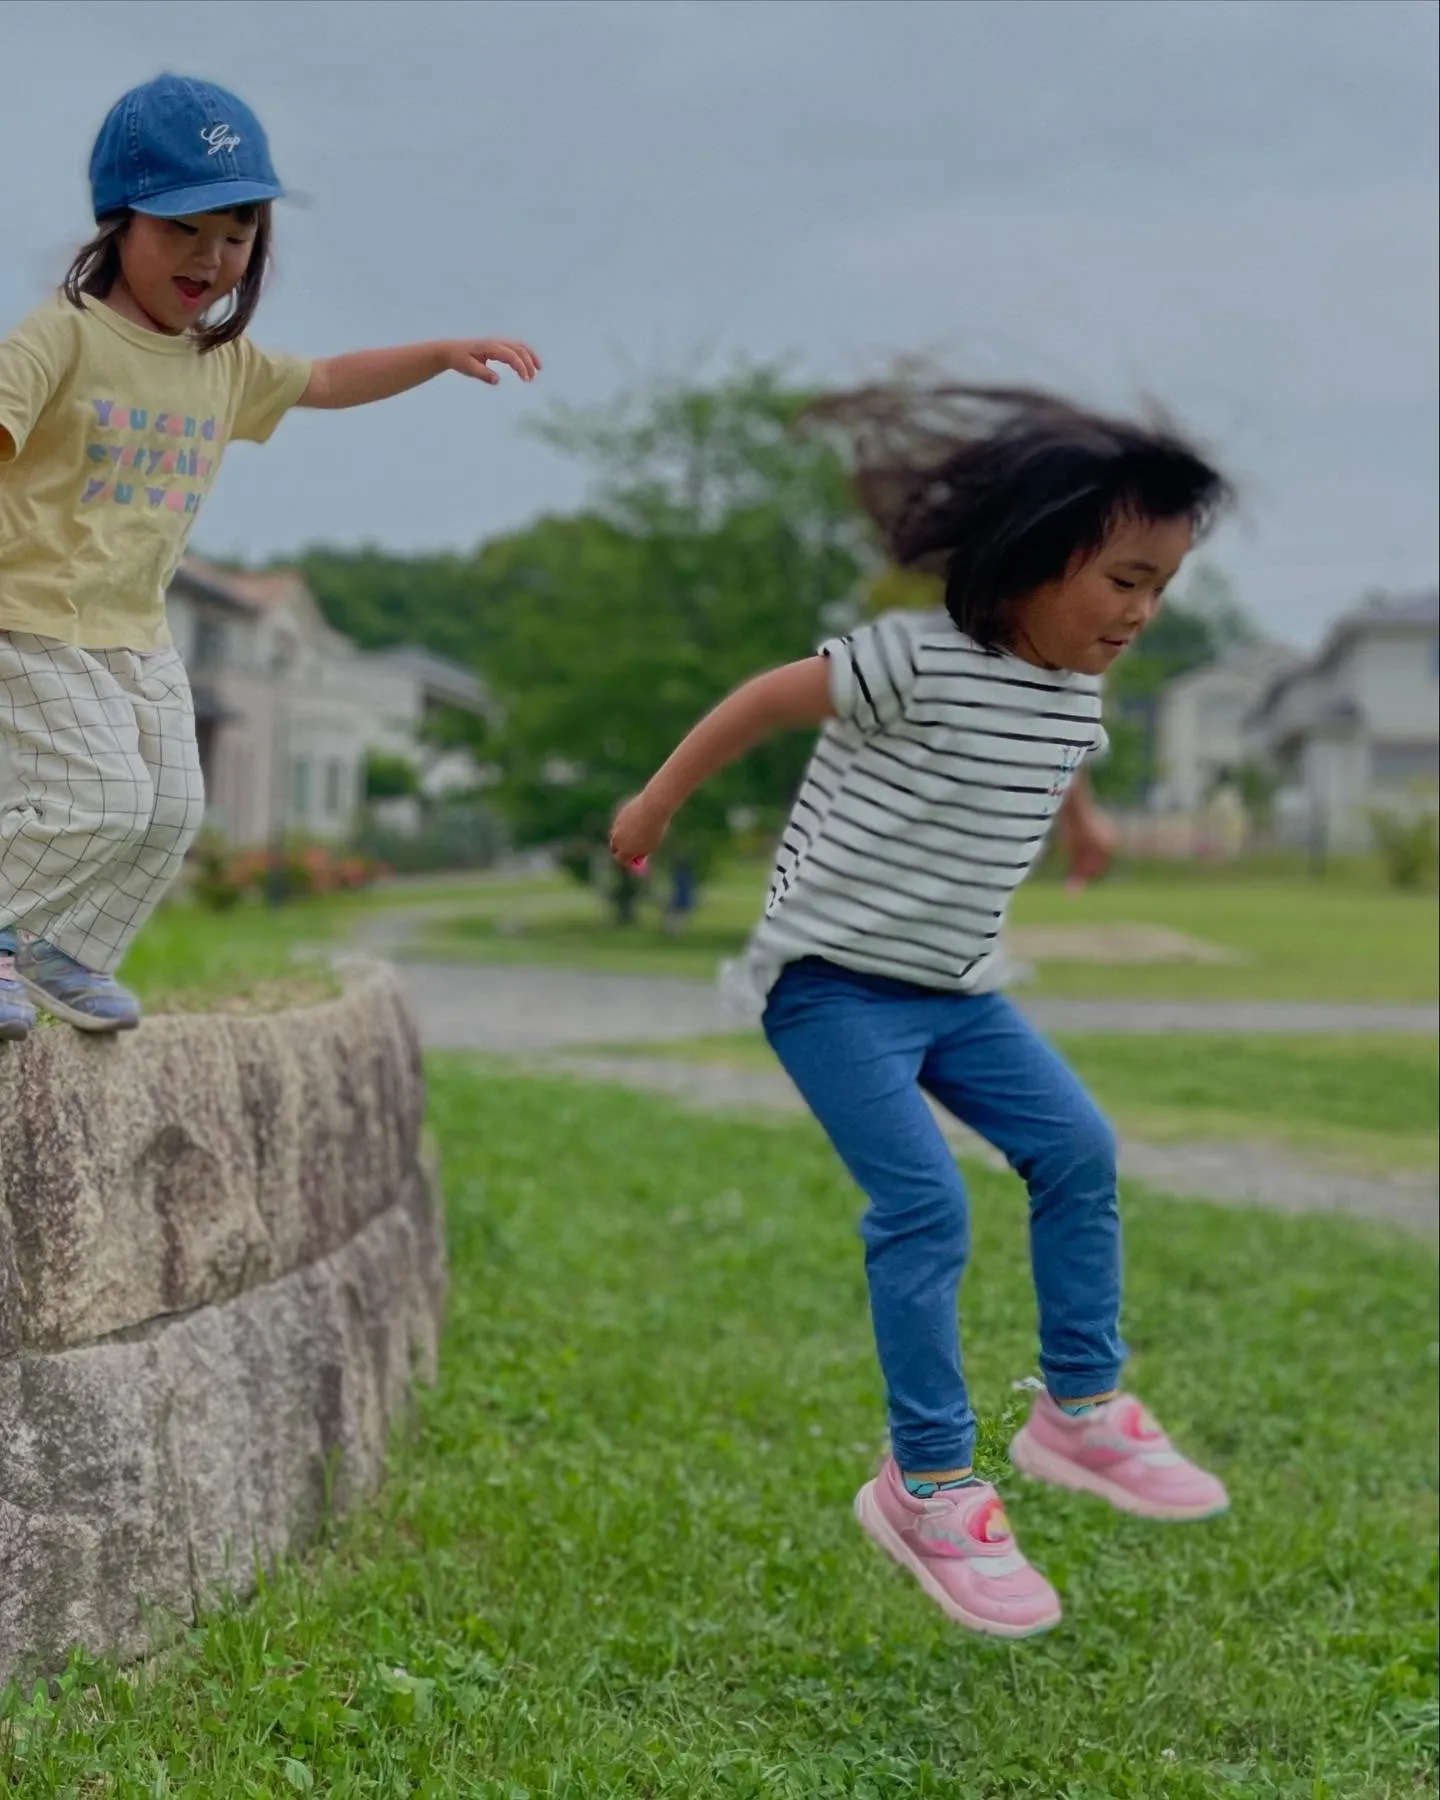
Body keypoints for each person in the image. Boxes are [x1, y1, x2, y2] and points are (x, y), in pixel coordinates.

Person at [609, 382, 1234, 1640]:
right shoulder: (910, 661)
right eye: (1123, 577)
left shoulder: (1073, 697)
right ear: (1033, 558)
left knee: (1077, 1151)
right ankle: (931, 1483)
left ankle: (1078, 1406)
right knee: (925, 1202)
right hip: (831, 986)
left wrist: (1090, 823)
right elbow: (763, 701)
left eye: (1161, 585)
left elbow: (1050, 762)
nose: (1141, 611)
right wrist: (659, 801)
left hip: (959, 992)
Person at [0, 74, 539, 1041]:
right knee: (106, 799)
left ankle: (62, 952)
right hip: (33, 616)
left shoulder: (222, 365)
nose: (212, 257)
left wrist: (439, 352)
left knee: (170, 812)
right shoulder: (64, 337)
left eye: (237, 234)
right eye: (184, 230)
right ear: (120, 222)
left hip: (135, 629)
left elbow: (327, 379)